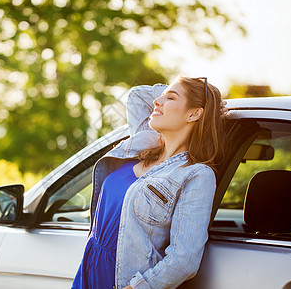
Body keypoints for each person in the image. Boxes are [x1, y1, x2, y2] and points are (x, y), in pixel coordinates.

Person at [72, 76, 226, 289]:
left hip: (123, 281)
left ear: (194, 113)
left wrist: (134, 288)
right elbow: (137, 95)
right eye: (161, 97)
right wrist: (190, 96)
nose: (157, 102)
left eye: (170, 98)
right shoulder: (145, 143)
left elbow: (184, 260)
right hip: (90, 269)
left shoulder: (196, 175)